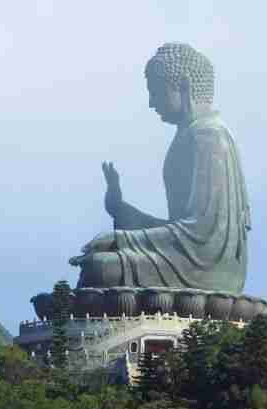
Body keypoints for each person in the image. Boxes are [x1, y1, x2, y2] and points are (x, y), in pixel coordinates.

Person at [70, 43, 251, 293]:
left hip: (206, 270)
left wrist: (122, 239)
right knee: (98, 264)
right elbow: (180, 229)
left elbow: (202, 236)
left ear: (184, 85)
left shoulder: (209, 138)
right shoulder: (189, 136)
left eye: (156, 91)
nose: (151, 103)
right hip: (184, 259)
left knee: (99, 268)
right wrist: (121, 210)